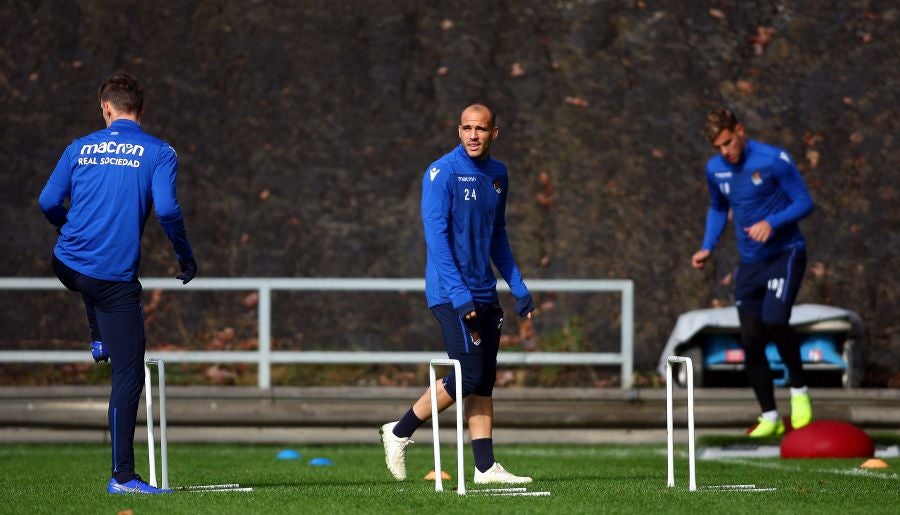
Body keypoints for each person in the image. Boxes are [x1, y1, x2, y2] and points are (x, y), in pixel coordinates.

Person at [38, 72, 197, 494]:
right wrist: (185, 256)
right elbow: (167, 211)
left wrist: (66, 227)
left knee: (88, 281)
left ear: (105, 108)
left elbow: (48, 201)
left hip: (66, 263)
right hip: (111, 281)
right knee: (129, 375)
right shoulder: (159, 152)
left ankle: (98, 338)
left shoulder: (78, 146)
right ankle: (123, 477)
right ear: (141, 110)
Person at [380, 103, 536, 484]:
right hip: (450, 294)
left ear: (493, 133)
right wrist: (459, 294)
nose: (473, 135)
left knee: (484, 380)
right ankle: (398, 432)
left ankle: (485, 467)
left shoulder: (499, 174)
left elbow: (498, 235)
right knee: (469, 373)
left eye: (480, 129)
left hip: (485, 291)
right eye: (467, 128)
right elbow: (436, 240)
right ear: (458, 130)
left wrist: (518, 286)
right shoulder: (442, 173)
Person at [692, 108, 815, 438]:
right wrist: (707, 246)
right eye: (718, 147)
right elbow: (718, 207)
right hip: (750, 263)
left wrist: (771, 223)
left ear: (740, 131)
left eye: (728, 143)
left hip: (785, 254)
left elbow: (804, 202)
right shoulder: (715, 169)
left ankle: (800, 391)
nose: (725, 151)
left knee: (775, 320)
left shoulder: (773, 160)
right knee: (750, 338)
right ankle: (770, 415)